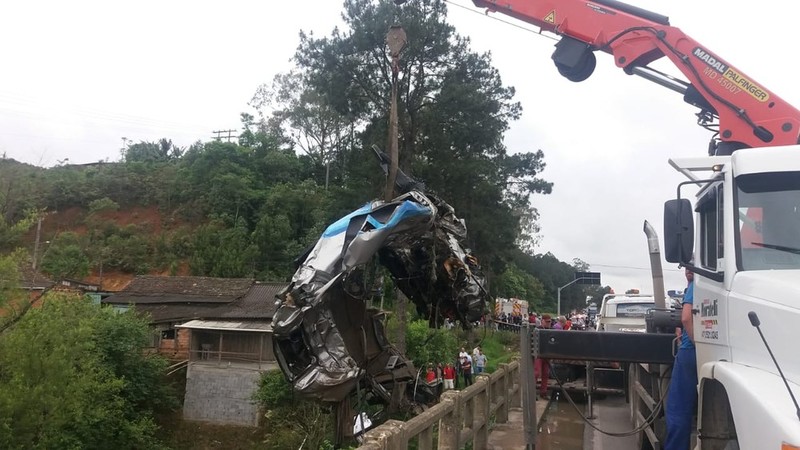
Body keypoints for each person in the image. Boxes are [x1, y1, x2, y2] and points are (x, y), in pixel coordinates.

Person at [664, 267, 697, 450]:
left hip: (689, 351)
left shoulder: (695, 285)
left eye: (691, 266)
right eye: (686, 267)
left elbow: (685, 318)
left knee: (678, 410)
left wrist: (697, 343)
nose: (687, 271)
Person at [534, 314, 553, 399]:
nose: (549, 323)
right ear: (542, 321)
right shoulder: (538, 330)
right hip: (539, 354)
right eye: (547, 321)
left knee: (546, 374)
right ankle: (533, 392)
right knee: (536, 373)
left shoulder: (551, 331)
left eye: (550, 321)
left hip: (547, 355)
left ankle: (543, 392)